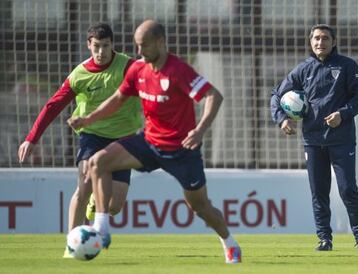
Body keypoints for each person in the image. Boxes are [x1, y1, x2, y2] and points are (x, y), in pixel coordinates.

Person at [68, 19, 242, 264]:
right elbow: (118, 98)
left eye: (144, 46)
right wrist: (88, 119)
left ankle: (229, 242)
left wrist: (200, 130)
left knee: (201, 208)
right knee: (97, 163)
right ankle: (102, 227)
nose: (139, 52)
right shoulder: (138, 69)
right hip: (148, 143)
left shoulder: (178, 70)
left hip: (181, 150)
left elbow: (214, 95)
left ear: (160, 43)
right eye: (137, 46)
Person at [17, 23, 142, 257]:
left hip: (123, 139)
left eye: (106, 46)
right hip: (91, 136)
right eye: (96, 46)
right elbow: (53, 105)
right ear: (89, 45)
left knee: (115, 206)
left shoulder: (129, 67)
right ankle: (71, 245)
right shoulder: (80, 73)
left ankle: (96, 205)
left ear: (112, 45)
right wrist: (31, 139)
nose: (101, 52)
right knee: (83, 185)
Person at [270, 24, 358, 251]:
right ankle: (324, 239)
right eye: (316, 38)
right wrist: (282, 119)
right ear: (311, 42)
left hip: (342, 139)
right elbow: (276, 95)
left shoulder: (347, 66)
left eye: (325, 38)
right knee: (319, 191)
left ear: (333, 41)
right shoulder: (302, 70)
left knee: (348, 189)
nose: (320, 42)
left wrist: (343, 114)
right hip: (313, 140)